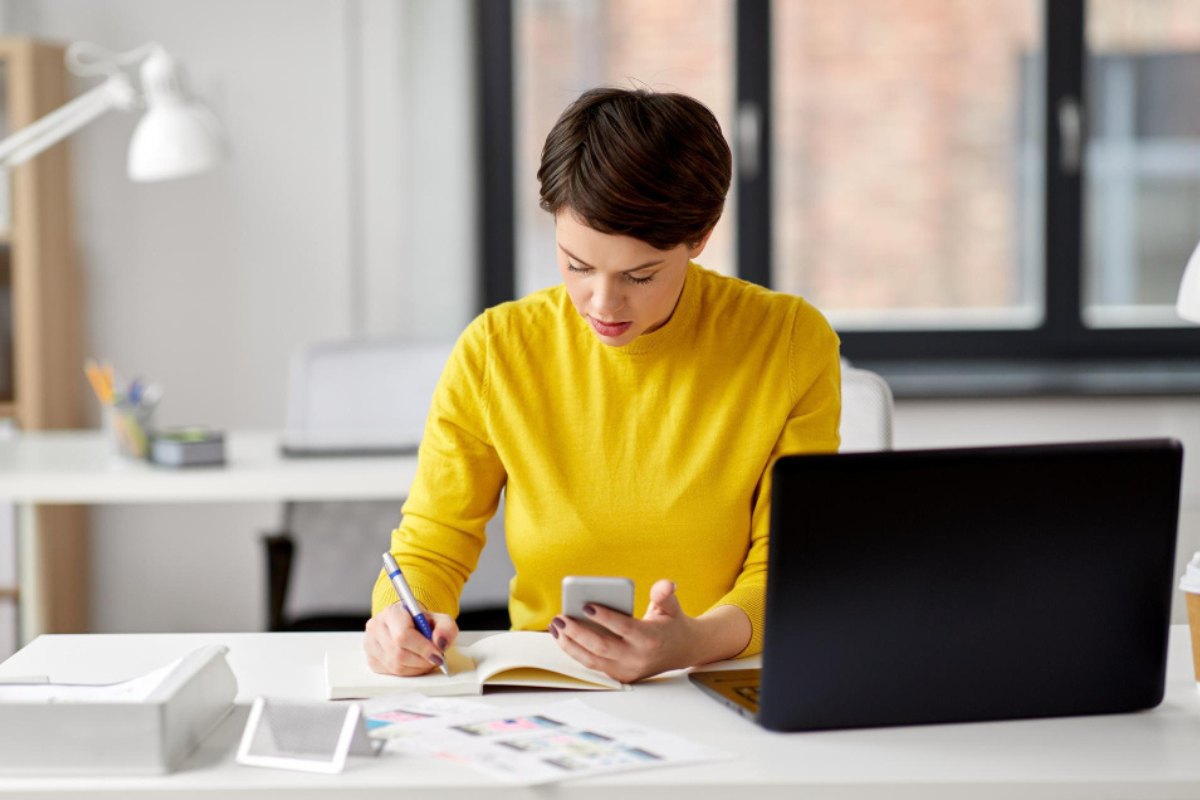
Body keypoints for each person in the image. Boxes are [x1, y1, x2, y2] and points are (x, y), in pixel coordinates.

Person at [364, 87, 841, 684]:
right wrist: (396, 621)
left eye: (640, 276)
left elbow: (792, 562)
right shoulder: (497, 349)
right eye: (577, 265)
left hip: (725, 677)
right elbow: (434, 543)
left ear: (701, 236)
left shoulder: (788, 341)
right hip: (545, 686)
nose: (602, 303)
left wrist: (692, 641)